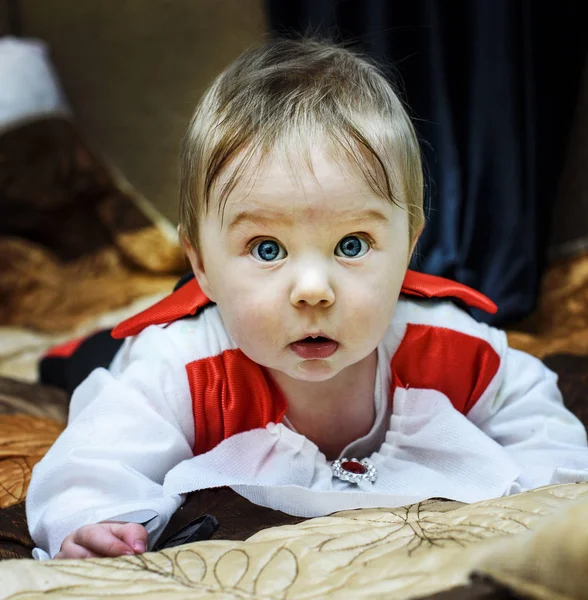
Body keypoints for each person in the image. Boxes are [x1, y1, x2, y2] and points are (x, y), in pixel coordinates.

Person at [26, 37, 588, 561]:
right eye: (267, 248)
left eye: (352, 244)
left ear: (408, 248)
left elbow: (536, 417)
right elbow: (94, 459)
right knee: (79, 364)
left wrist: (548, 493)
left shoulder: (450, 345)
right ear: (201, 263)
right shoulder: (179, 366)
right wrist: (92, 519)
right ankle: (76, 349)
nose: (313, 289)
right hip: (142, 342)